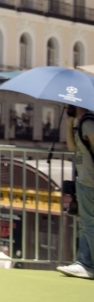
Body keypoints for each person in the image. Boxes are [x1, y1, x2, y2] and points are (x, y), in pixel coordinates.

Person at [59, 105, 94, 279]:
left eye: (67, 104)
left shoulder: (88, 122)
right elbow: (73, 148)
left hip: (89, 181)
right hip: (85, 180)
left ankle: (88, 264)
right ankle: (84, 263)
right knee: (85, 224)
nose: (65, 106)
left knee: (88, 224)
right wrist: (69, 123)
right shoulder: (83, 123)